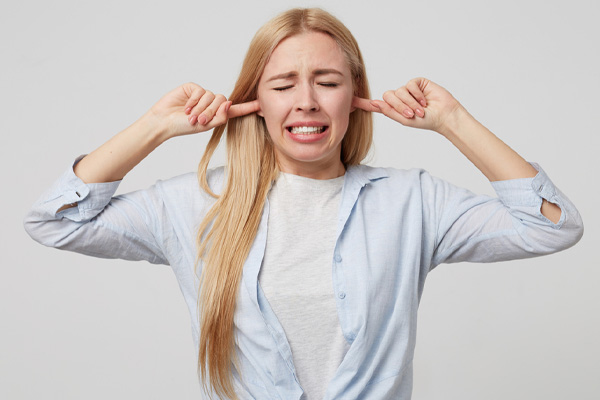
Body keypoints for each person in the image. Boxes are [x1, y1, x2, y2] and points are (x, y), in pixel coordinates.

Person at [24, 7, 583, 400]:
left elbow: (551, 227)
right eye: (284, 83)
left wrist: (454, 122)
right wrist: (154, 127)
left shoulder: (412, 201)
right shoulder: (195, 203)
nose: (307, 102)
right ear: (254, 102)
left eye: (328, 81)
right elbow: (55, 220)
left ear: (354, 97)